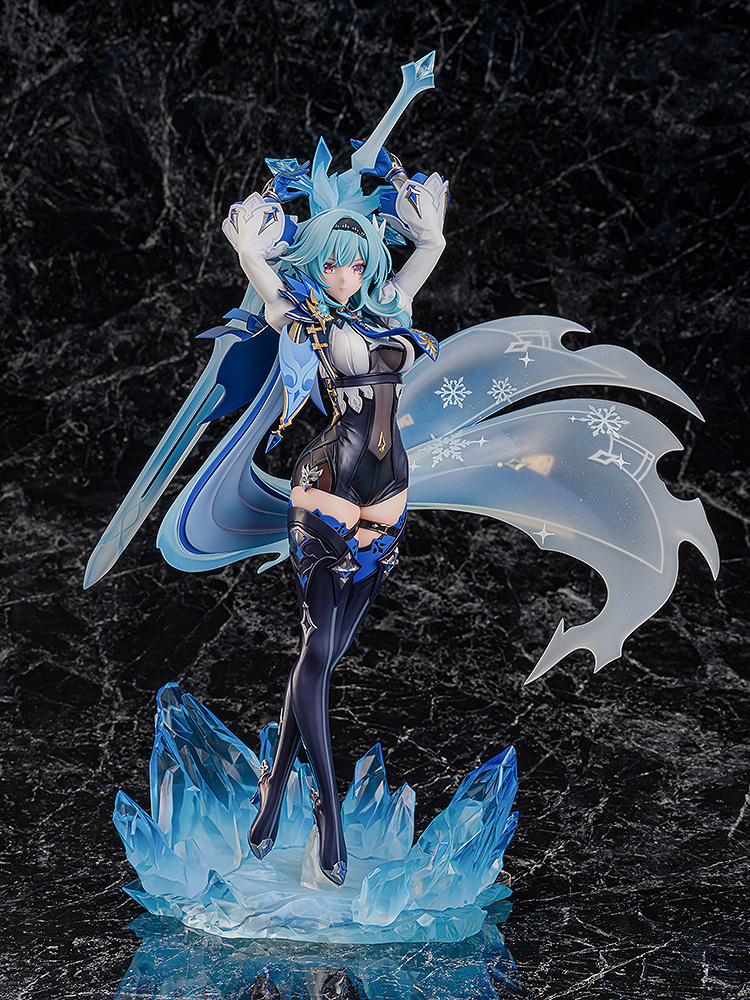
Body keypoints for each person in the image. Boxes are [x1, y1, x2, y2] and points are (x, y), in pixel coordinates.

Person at [221, 171, 447, 884]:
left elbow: (429, 250)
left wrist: (429, 229)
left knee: (321, 659)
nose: (344, 275)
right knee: (318, 653)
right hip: (327, 487)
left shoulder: (391, 306)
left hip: (391, 495)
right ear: (315, 265)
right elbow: (266, 285)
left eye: (354, 262)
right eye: (330, 263)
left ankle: (271, 791)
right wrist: (249, 247)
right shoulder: (308, 317)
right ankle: (327, 811)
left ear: (369, 262)